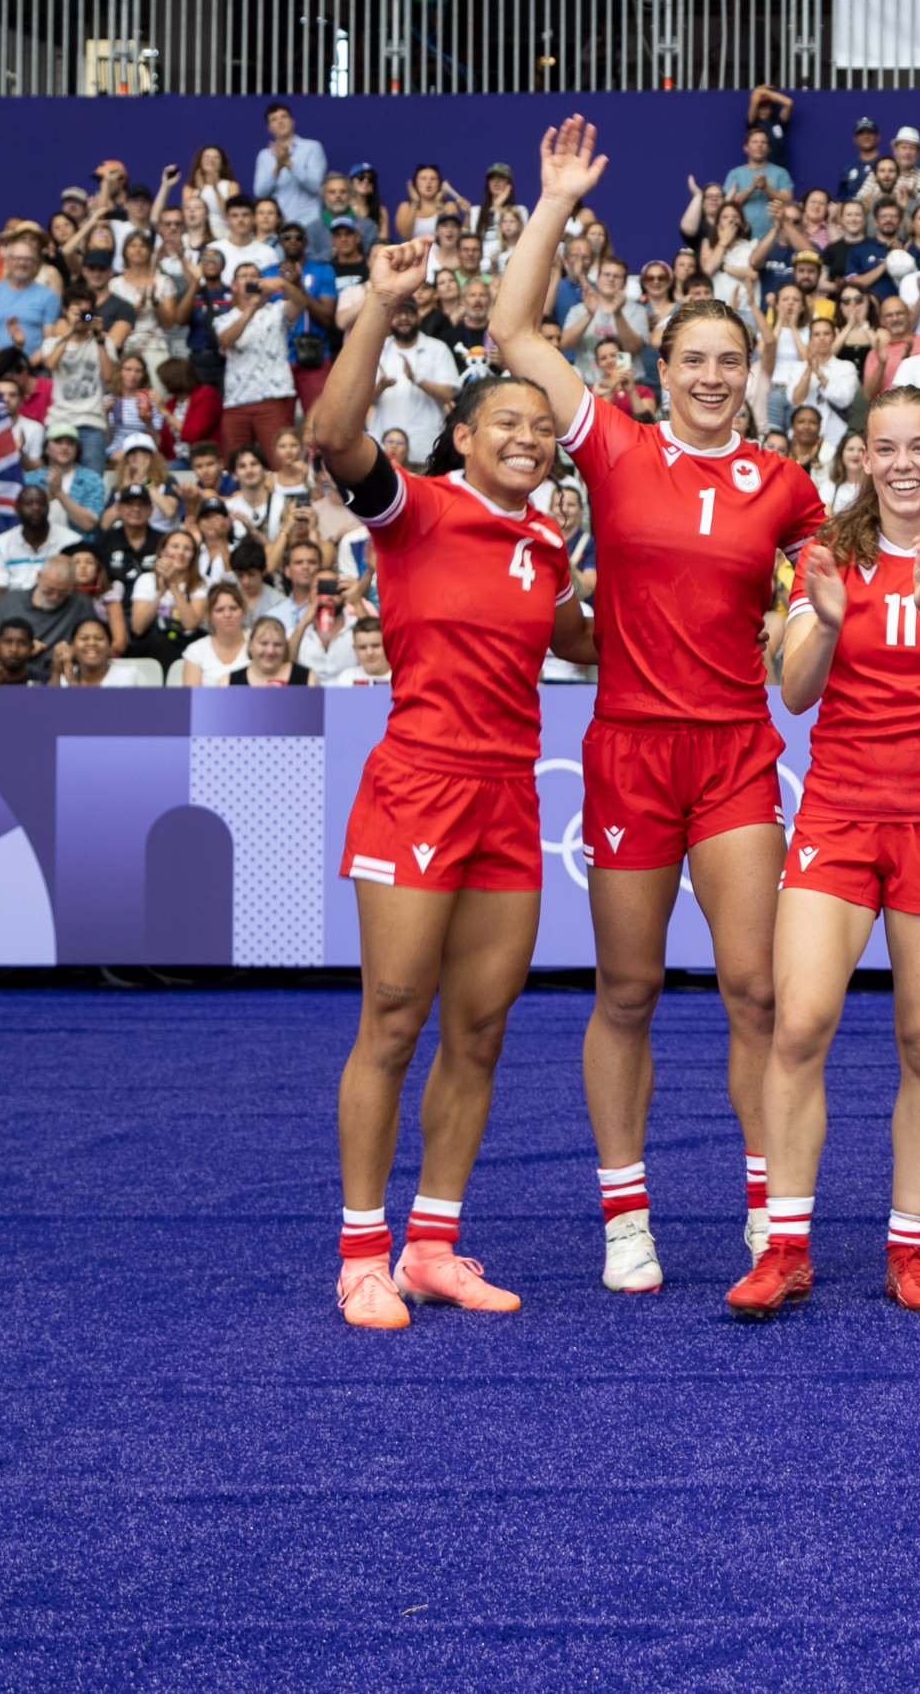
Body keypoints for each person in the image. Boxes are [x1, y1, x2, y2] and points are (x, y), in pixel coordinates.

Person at [491, 119, 826, 1296]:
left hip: (737, 750)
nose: (710, 376)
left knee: (755, 990)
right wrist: (554, 200)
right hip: (629, 749)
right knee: (626, 990)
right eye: (692, 360)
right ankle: (625, 1215)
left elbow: (827, 593)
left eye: (728, 362)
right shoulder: (614, 446)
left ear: (750, 373)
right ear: (663, 370)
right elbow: (511, 332)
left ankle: (760, 1206)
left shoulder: (784, 483)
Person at [308, 226, 594, 1331]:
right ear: (463, 435)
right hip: (418, 785)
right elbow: (333, 436)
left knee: (480, 1027)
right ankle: (360, 1254)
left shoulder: (546, 545)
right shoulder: (414, 507)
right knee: (392, 1015)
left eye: (539, 426)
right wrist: (378, 306)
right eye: (505, 423)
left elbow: (578, 636)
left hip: (509, 798)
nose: (526, 437)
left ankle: (433, 1243)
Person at [728, 389, 920, 1321]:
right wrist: (816, 614)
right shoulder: (833, 553)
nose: (903, 463)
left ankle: (908, 1248)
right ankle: (784, 1245)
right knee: (800, 1022)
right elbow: (798, 692)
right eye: (886, 447)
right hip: (840, 811)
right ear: (863, 456)